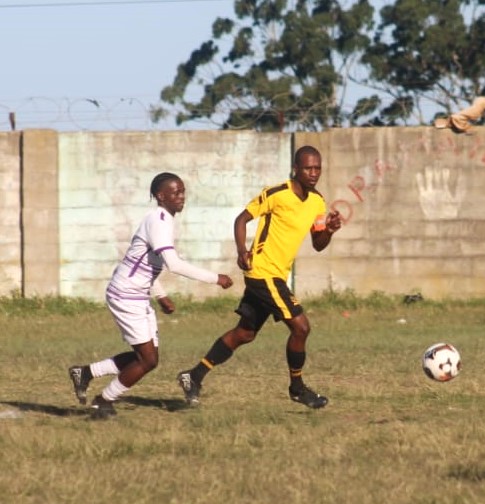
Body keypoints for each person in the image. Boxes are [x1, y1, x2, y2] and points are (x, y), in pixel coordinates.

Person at [176, 146, 342, 409]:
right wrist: (242, 251)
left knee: (244, 334)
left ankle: (193, 376)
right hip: (262, 272)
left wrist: (330, 231)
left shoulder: (317, 202)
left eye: (317, 168)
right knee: (301, 327)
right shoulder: (277, 194)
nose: (313, 173)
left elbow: (318, 243)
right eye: (308, 168)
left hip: (276, 275)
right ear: (296, 169)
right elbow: (241, 219)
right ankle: (297, 388)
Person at [68, 173, 234, 419]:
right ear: (160, 196)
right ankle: (102, 401)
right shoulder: (158, 220)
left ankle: (86, 373)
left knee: (145, 357)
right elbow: (173, 264)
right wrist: (215, 278)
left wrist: (160, 294)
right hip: (126, 294)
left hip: (138, 294)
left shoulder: (164, 220)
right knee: (148, 360)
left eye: (182, 192)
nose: (181, 197)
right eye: (175, 192)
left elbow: (146, 261)